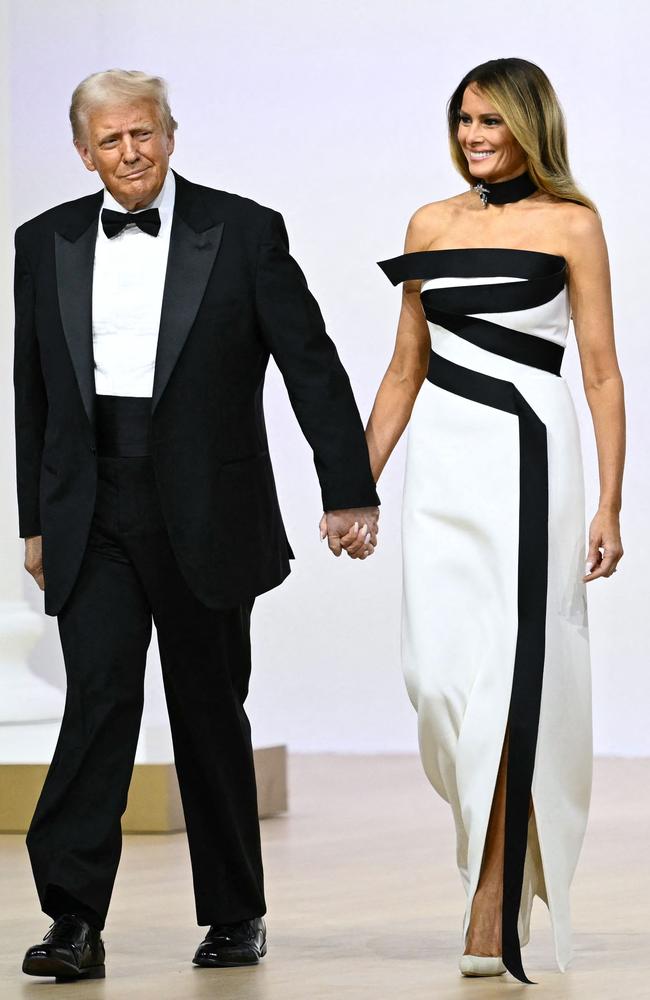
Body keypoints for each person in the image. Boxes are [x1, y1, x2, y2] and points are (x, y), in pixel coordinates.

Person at [14, 68, 379, 983]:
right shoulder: (42, 240)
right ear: (82, 150)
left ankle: (233, 914)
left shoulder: (244, 230)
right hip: (89, 504)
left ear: (170, 135)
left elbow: (311, 361)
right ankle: (72, 921)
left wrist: (348, 487)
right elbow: (33, 394)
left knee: (209, 710)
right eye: (110, 140)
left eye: (143, 134)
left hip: (207, 506)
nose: (129, 153)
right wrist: (34, 519)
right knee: (97, 705)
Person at [367, 57, 624, 984]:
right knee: (437, 683)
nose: (475, 136)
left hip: (531, 462)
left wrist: (608, 501)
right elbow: (403, 370)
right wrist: (358, 487)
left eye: (492, 122)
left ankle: (490, 895)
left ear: (530, 127)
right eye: (465, 120)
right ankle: (494, 849)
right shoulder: (429, 225)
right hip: (441, 468)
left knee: (520, 681)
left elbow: (598, 370)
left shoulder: (573, 225)